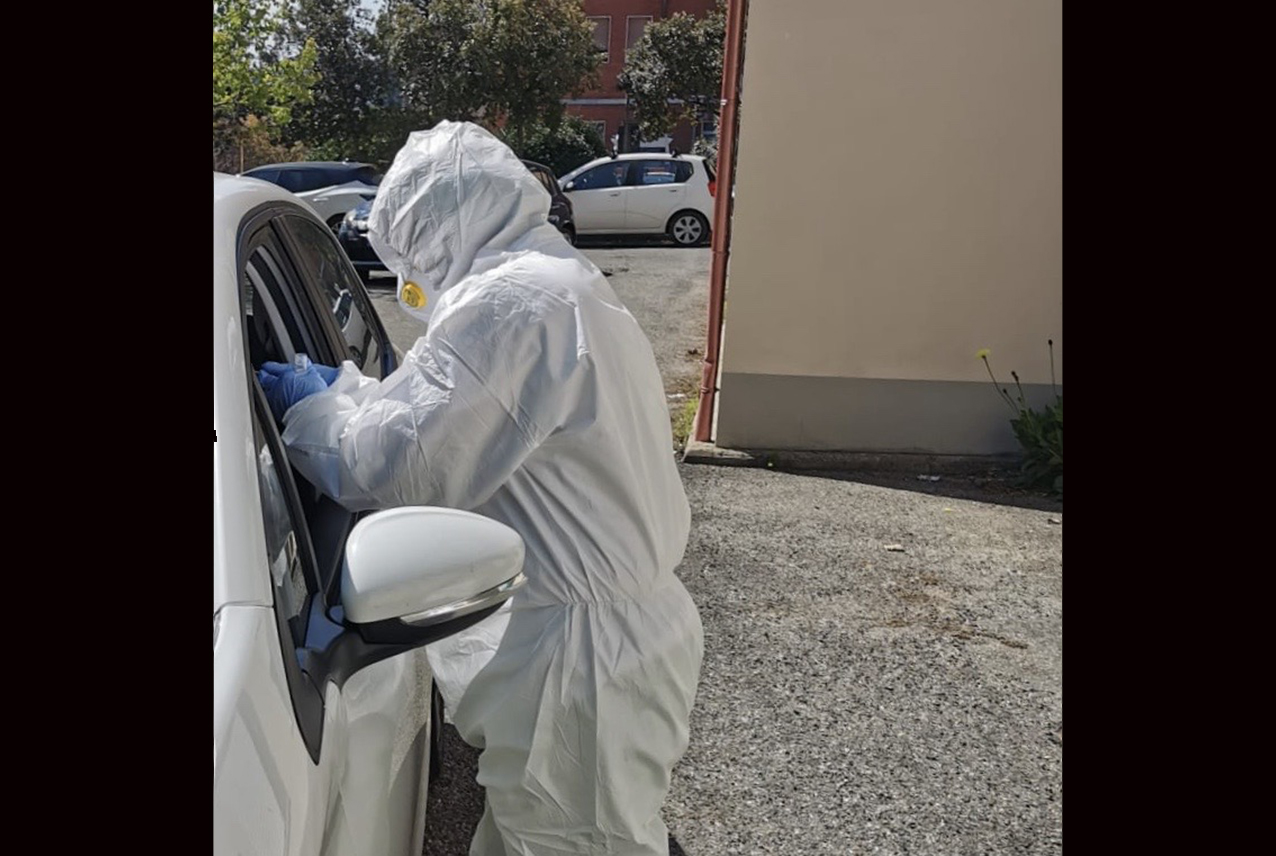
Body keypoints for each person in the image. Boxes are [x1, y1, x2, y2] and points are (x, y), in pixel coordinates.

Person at [263, 120, 703, 856]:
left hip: (581, 661)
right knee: (548, 836)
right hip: (606, 638)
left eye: (408, 246)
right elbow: (445, 412)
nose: (409, 270)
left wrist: (310, 412)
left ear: (435, 228)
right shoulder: (552, 279)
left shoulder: (509, 304)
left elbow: (399, 466)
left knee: (573, 842)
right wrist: (346, 395)